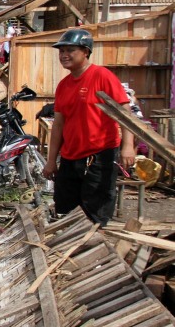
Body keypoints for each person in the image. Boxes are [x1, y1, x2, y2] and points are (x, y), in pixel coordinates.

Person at [42, 28, 136, 226]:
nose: (64, 55)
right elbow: (58, 125)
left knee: (95, 210)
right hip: (70, 156)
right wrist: (51, 161)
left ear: (86, 51)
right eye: (61, 51)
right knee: (65, 209)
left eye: (70, 50)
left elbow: (125, 114)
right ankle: (68, 249)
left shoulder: (102, 76)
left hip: (99, 155)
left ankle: (93, 249)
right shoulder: (64, 85)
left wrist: (128, 146)